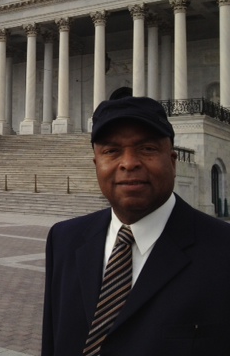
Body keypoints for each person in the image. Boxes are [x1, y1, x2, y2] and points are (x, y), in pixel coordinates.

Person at [42, 96, 230, 356]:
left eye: (148, 149)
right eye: (111, 151)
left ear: (173, 161)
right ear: (96, 164)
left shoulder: (223, 250)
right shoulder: (64, 239)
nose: (129, 163)